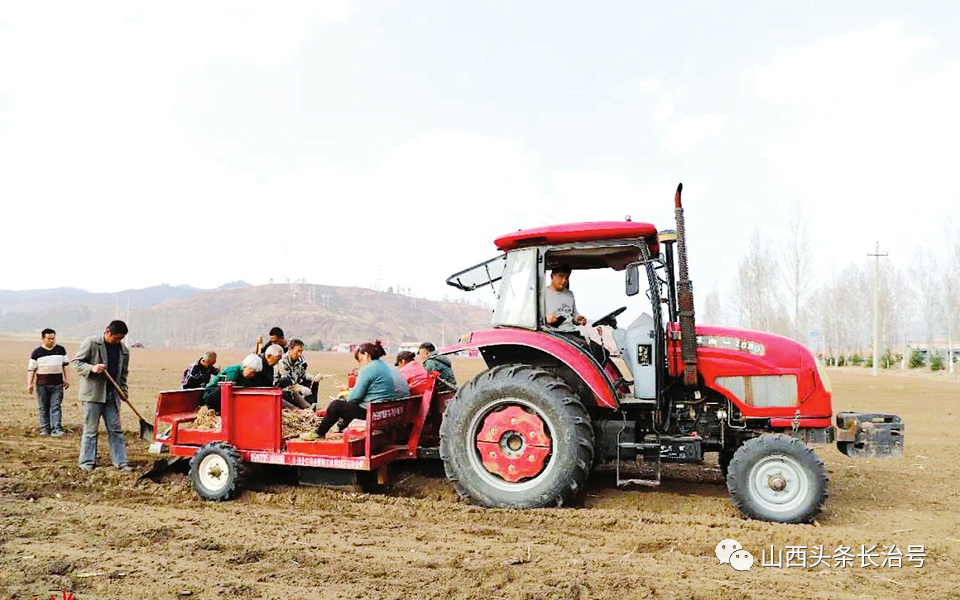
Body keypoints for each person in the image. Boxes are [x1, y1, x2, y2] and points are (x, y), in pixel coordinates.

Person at [72, 320, 132, 472]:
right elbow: (76, 362)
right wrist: (92, 368)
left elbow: (123, 374)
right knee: (91, 430)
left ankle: (121, 462)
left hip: (112, 395)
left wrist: (123, 392)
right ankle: (86, 463)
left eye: (121, 338)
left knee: (116, 429)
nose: (118, 341)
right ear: (107, 332)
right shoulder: (92, 343)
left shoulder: (123, 351)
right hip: (93, 395)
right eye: (116, 338)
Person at [315, 341, 397, 438]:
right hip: (383, 411)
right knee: (349, 406)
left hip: (371, 413)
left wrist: (346, 396)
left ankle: (319, 433)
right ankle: (339, 427)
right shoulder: (384, 366)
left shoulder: (368, 369)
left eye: (360, 359)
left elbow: (354, 397)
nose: (360, 364)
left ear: (366, 355)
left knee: (336, 406)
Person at [27, 328, 70, 437]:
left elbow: (65, 366)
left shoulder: (60, 350)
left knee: (55, 406)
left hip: (57, 384)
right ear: (43, 339)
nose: (51, 341)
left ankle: (56, 428)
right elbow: (31, 369)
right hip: (42, 384)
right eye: (49, 338)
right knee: (43, 407)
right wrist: (30, 383)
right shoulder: (37, 353)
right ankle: (45, 429)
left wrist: (67, 378)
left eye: (53, 338)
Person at [275, 339, 325, 409]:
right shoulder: (282, 362)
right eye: (298, 351)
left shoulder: (298, 360)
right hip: (284, 389)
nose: (299, 354)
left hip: (295, 386)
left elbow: (302, 374)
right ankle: (306, 407)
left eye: (301, 351)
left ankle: (312, 403)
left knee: (313, 382)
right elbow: (287, 381)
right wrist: (300, 388)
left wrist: (313, 378)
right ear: (290, 349)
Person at [544, 263, 588, 333]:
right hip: (553, 333)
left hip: (570, 331)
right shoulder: (542, 294)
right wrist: (545, 318)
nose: (564, 280)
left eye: (567, 277)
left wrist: (578, 319)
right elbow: (532, 316)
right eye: (561, 276)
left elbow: (574, 315)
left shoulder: (570, 294)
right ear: (552, 276)